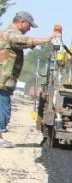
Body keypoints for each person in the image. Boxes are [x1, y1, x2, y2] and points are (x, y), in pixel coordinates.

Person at [0, 12, 59, 148]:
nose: (29, 29)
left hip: (5, 80)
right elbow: (21, 40)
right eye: (29, 26)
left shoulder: (8, 34)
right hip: (3, 80)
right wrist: (46, 40)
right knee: (3, 110)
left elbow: (23, 44)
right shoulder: (10, 33)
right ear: (22, 22)